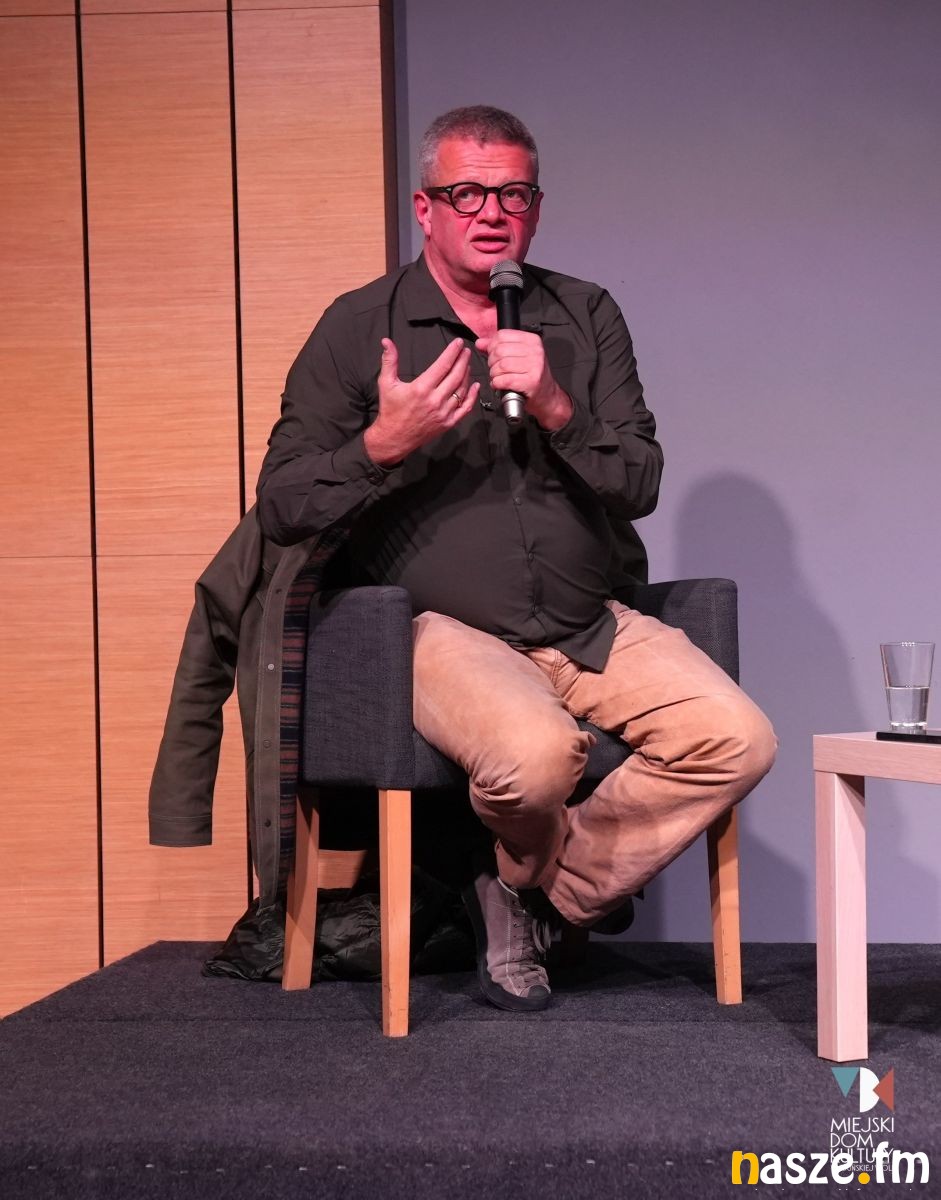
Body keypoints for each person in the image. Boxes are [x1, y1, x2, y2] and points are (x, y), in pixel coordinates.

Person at [257, 105, 776, 1013]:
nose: (492, 213)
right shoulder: (358, 326)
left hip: (587, 621)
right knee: (536, 760)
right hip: (443, 633)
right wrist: (383, 443)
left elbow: (639, 480)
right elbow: (282, 503)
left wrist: (556, 407)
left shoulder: (584, 313)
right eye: (466, 193)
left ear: (535, 208)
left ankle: (528, 892)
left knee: (737, 739)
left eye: (514, 195)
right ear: (425, 208)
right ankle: (539, 896)